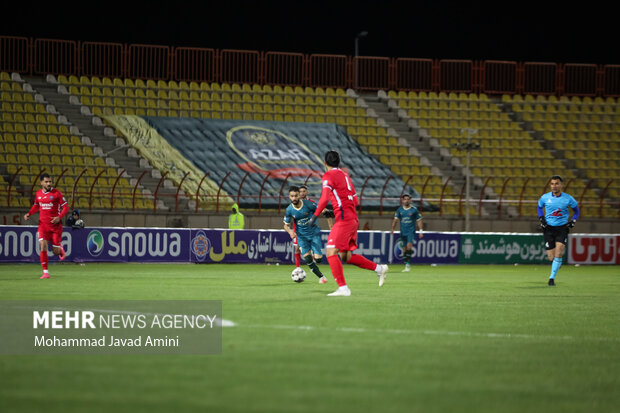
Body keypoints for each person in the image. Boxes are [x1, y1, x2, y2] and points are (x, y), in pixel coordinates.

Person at [308, 150, 388, 296]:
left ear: (325, 164)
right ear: (339, 162)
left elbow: (325, 198)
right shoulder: (346, 176)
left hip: (344, 220)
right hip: (352, 219)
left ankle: (343, 288)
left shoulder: (328, 175)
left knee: (331, 251)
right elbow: (355, 200)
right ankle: (379, 269)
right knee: (346, 257)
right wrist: (337, 209)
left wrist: (314, 216)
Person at [23, 173, 69, 279]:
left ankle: (59, 247)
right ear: (41, 183)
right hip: (43, 225)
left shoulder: (57, 193)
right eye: (46, 182)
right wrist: (29, 213)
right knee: (43, 246)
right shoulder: (38, 194)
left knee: (55, 251)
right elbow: (36, 206)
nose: (48, 183)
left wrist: (59, 217)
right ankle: (45, 272)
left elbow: (66, 207)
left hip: (55, 226)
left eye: (50, 182)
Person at [537, 175, 580, 286]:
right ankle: (557, 263)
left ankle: (551, 279)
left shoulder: (568, 198)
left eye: (556, 183)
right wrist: (541, 218)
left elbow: (576, 211)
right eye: (552, 184)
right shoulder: (545, 197)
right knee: (551, 257)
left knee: (559, 252)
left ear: (561, 185)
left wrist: (573, 220)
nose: (554, 186)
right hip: (548, 228)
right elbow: (539, 207)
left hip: (562, 228)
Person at [283, 186, 327, 284]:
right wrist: (290, 232)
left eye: (295, 196)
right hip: (301, 236)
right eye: (292, 196)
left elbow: (320, 208)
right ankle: (321, 277)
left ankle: (314, 258)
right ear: (289, 197)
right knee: (307, 258)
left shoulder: (308, 204)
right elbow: (286, 225)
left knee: (318, 259)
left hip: (313, 234)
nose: (294, 198)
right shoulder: (289, 210)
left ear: (299, 195)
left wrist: (325, 211)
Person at [391, 194, 423, 272]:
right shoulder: (400, 210)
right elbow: (395, 220)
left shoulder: (414, 210)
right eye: (405, 199)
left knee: (409, 246)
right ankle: (406, 264)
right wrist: (392, 229)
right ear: (402, 200)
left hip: (411, 231)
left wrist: (421, 230)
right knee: (404, 248)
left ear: (410, 200)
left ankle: (408, 265)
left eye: (408, 199)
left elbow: (419, 220)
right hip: (403, 231)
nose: (406, 200)